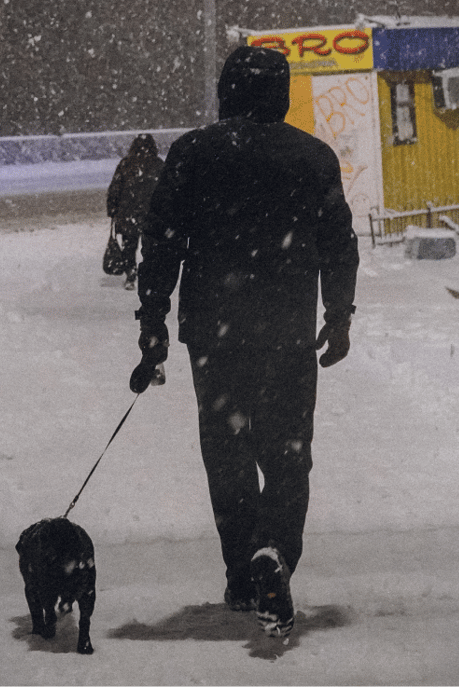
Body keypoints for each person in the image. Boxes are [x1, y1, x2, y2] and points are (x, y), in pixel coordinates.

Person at [128, 45, 359, 638]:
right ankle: (275, 552)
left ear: (227, 91)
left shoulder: (193, 154)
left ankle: (241, 569)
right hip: (285, 334)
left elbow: (162, 241)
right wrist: (338, 317)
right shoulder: (312, 158)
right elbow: (339, 245)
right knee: (287, 453)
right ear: (280, 95)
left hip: (214, 333)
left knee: (227, 452)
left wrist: (152, 321)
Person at [106, 133, 164, 290]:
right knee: (150, 246)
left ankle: (131, 274)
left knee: (129, 246)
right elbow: (165, 190)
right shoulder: (158, 164)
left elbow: (115, 187)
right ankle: (149, 275)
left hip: (128, 213)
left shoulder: (126, 164)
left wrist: (112, 208)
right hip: (150, 214)